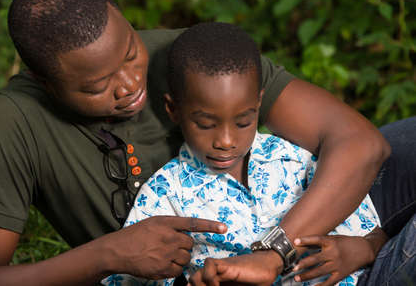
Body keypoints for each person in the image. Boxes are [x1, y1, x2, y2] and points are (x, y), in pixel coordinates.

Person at [0, 0, 402, 285]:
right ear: (44, 82)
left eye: (131, 52)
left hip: (325, 221)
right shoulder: (11, 128)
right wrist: (105, 255)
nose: (131, 84)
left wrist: (281, 253)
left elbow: (360, 144)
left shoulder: (189, 58)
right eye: (98, 87)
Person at [101, 22, 388, 286]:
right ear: (173, 110)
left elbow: (374, 237)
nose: (226, 141)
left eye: (243, 122)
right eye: (205, 124)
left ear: (259, 103)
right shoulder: (164, 195)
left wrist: (364, 249)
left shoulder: (295, 158)